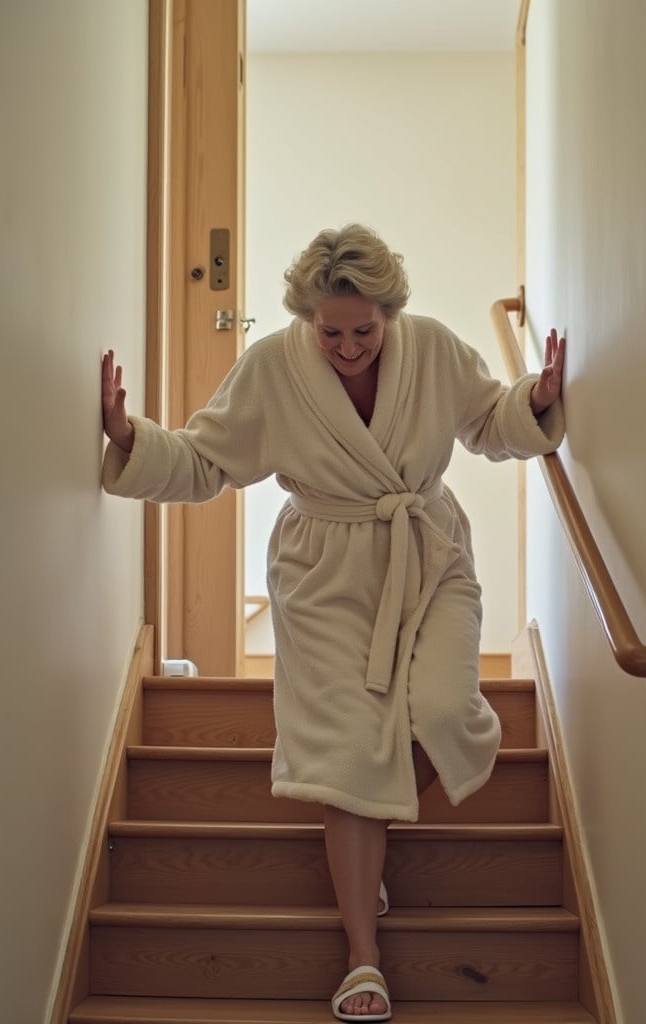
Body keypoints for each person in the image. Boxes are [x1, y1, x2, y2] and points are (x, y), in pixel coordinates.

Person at [101, 223, 565, 1022]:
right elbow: (207, 460)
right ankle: (363, 958)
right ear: (306, 316)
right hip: (321, 573)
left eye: (363, 330)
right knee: (348, 751)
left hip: (426, 553)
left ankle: (367, 835)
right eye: (330, 331)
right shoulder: (272, 368)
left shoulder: (434, 349)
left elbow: (488, 420)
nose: (348, 347)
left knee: (451, 712)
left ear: (390, 312)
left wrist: (537, 401)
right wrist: (128, 438)